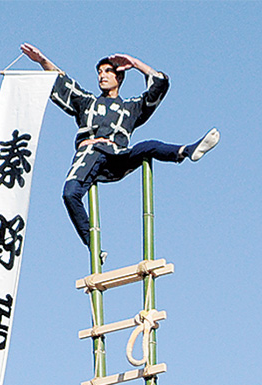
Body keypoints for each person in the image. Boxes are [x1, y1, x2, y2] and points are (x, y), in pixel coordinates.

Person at [20, 44, 219, 247]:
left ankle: (187, 151)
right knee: (69, 194)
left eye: (108, 71)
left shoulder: (130, 108)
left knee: (148, 146)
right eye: (99, 72)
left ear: (119, 78)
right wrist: (42, 60)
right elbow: (63, 82)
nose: (102, 76)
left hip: (116, 156)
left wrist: (135, 63)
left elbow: (159, 85)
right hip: (88, 156)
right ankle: (93, 244)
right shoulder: (87, 102)